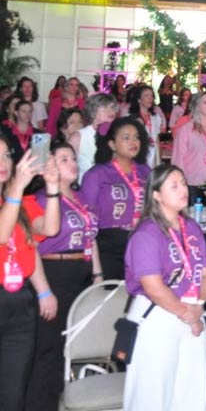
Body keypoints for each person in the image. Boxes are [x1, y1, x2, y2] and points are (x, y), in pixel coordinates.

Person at [122, 164, 206, 411]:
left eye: (183, 183)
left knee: (190, 390)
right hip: (159, 315)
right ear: (156, 194)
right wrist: (187, 314)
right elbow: (154, 287)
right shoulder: (147, 233)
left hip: (192, 312)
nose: (183, 189)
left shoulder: (191, 227)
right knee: (153, 392)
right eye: (174, 185)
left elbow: (204, 273)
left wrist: (198, 307)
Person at [27, 142, 97, 411]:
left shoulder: (82, 199)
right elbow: (31, 245)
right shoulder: (42, 199)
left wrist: (98, 275)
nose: (73, 163)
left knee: (68, 345)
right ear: (50, 166)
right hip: (54, 272)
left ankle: (61, 401)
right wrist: (44, 290)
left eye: (73, 158)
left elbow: (92, 240)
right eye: (64, 159)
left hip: (81, 273)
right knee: (49, 348)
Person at [0, 141, 56, 410]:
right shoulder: (15, 199)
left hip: (18, 301)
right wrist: (16, 191)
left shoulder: (20, 202)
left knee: (13, 394)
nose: (3, 162)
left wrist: (53, 187)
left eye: (6, 156)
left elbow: (48, 229)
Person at [80, 117, 152, 280]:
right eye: (126, 138)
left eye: (136, 137)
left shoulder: (145, 171)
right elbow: (86, 216)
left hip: (141, 241)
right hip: (109, 245)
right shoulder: (97, 174)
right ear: (112, 144)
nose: (133, 142)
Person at [128, 86, 166, 167]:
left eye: (151, 96)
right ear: (139, 99)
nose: (150, 99)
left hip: (154, 156)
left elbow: (157, 139)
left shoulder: (155, 117)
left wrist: (159, 159)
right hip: (139, 156)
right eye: (146, 95)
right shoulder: (132, 118)